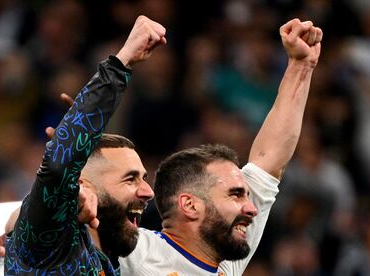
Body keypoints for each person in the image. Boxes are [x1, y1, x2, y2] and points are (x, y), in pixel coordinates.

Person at [116, 18, 323, 275]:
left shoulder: (226, 263)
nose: (250, 208)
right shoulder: (133, 253)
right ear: (190, 205)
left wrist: (301, 66)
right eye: (235, 194)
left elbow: (270, 160)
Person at [4, 15, 166, 275]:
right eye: (130, 179)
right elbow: (59, 168)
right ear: (83, 186)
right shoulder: (49, 244)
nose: (148, 191)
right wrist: (122, 62)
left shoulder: (111, 263)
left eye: (144, 178)